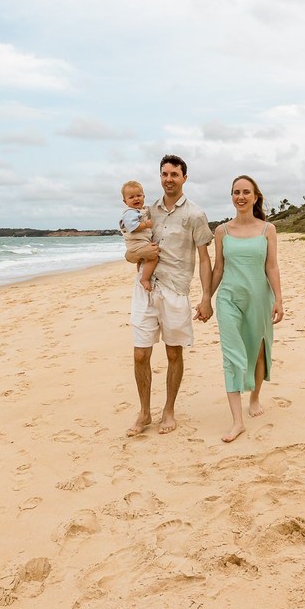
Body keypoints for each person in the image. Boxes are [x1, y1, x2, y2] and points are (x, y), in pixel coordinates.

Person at [125, 155, 213, 436]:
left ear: (184, 178)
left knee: (174, 353)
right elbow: (129, 253)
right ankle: (144, 413)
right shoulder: (146, 211)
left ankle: (169, 410)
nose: (168, 179)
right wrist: (137, 254)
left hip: (176, 290)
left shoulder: (195, 214)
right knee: (140, 355)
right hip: (145, 289)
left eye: (174, 174)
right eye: (164, 174)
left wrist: (206, 297)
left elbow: (204, 258)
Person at [210, 175, 284, 442]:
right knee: (231, 355)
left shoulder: (268, 229)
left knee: (259, 349)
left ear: (255, 196)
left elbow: (271, 266)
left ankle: (254, 397)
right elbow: (218, 268)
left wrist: (279, 298)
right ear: (232, 196)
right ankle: (237, 421)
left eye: (245, 192)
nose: (240, 197)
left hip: (259, 299)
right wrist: (206, 298)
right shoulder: (222, 231)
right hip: (229, 298)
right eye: (236, 192)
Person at [118, 180, 158, 292]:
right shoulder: (130, 212)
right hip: (137, 243)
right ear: (125, 201)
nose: (136, 199)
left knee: (142, 261)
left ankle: (141, 275)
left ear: (144, 196)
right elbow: (132, 226)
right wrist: (146, 224)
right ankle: (144, 279)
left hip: (139, 242)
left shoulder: (139, 211)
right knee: (153, 257)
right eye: (131, 197)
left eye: (139, 195)